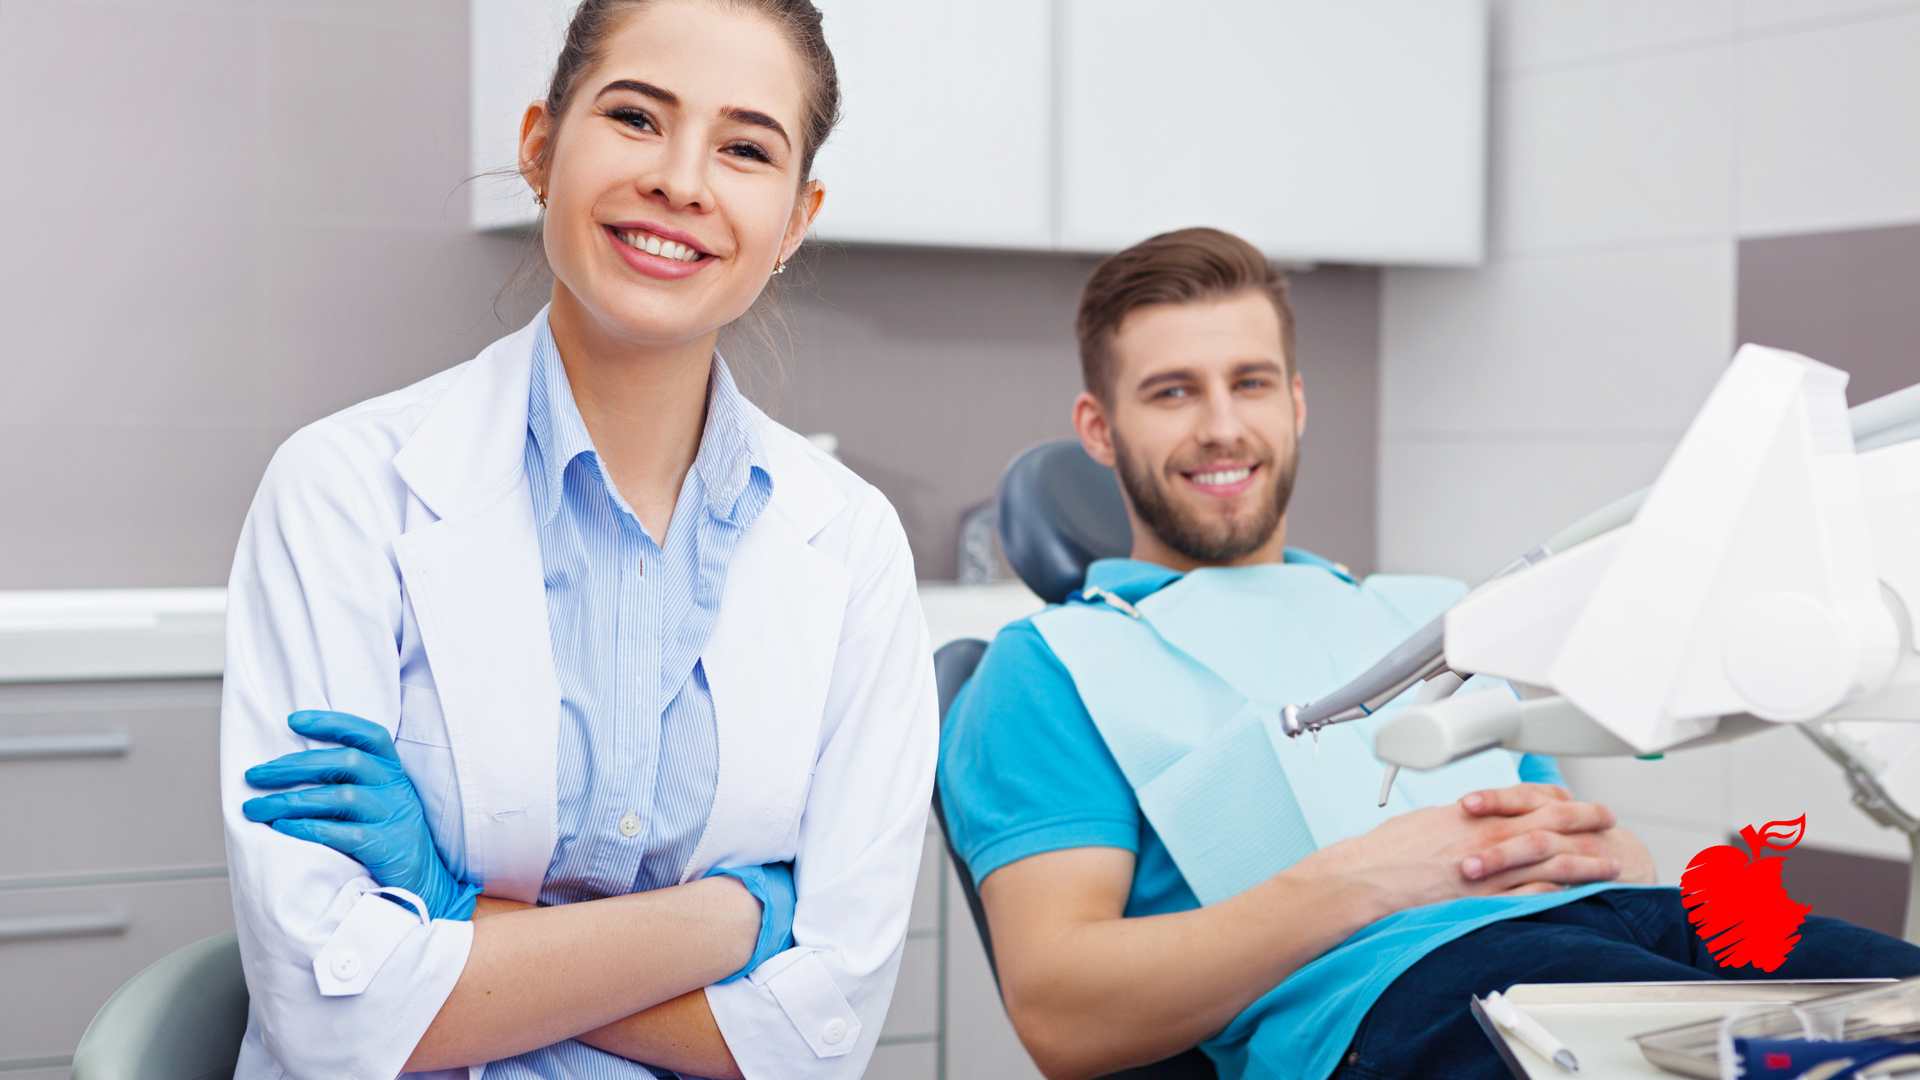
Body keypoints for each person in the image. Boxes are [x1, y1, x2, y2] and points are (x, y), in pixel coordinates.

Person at [935, 227, 1920, 1080]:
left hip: (1642, 922)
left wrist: (1620, 854)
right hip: (1402, 995)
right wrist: (1363, 878)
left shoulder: (1428, 619)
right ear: (1100, 431)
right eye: (1172, 392)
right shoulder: (1051, 665)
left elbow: (1545, 836)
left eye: (1251, 383)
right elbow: (1060, 1012)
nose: (1223, 424)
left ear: (1297, 404)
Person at [220, 2, 936, 1078]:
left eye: (745, 148)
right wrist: (732, 925)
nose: (683, 182)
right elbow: (335, 1015)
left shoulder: (851, 547)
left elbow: (816, 1040)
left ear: (796, 219)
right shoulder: (345, 494)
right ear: (541, 149)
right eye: (638, 117)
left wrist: (454, 916)